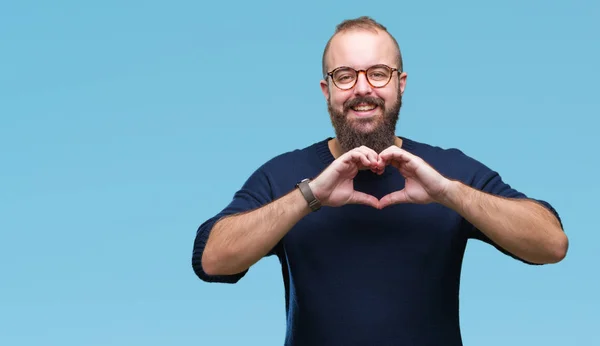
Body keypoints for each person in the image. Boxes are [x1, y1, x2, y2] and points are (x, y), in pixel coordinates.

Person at [191, 16, 568, 346]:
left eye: (378, 73)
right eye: (344, 76)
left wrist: (447, 192)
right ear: (327, 90)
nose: (362, 89)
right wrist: (310, 195)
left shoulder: (446, 169)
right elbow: (213, 260)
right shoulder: (286, 174)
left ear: (400, 84)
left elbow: (551, 244)